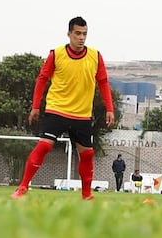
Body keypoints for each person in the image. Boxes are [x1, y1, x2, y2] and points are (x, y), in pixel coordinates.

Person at [15, 16, 116, 199]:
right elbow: (42, 79)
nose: (81, 38)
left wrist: (110, 108)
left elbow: (103, 82)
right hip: (57, 109)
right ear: (69, 33)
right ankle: (22, 188)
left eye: (84, 34)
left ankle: (86, 195)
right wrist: (35, 106)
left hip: (82, 114)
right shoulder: (56, 54)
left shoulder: (95, 55)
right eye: (77, 33)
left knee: (87, 154)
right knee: (44, 146)